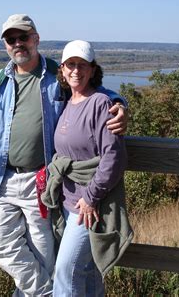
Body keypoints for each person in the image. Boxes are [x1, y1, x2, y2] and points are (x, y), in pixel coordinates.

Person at [0, 14, 128, 296]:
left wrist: (120, 104)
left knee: (45, 254)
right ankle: (47, 293)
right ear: (6, 45)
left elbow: (91, 90)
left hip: (41, 181)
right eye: (12, 39)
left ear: (36, 39)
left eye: (24, 37)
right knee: (0, 246)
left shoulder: (57, 76)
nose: (18, 43)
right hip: (0, 179)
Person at [42, 40, 133, 296]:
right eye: (70, 64)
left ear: (93, 70)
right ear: (62, 69)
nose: (76, 70)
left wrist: (91, 198)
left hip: (89, 206)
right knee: (88, 273)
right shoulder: (66, 102)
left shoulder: (101, 104)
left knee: (65, 271)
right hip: (68, 201)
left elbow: (113, 157)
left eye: (82, 65)